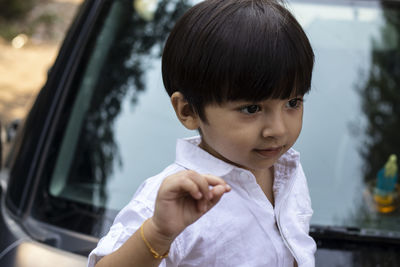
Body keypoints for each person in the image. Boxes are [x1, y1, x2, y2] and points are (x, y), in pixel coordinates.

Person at [88, 0, 316, 266]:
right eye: (251, 108)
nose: (277, 130)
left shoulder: (286, 170)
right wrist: (159, 234)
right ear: (188, 111)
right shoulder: (171, 201)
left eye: (292, 103)